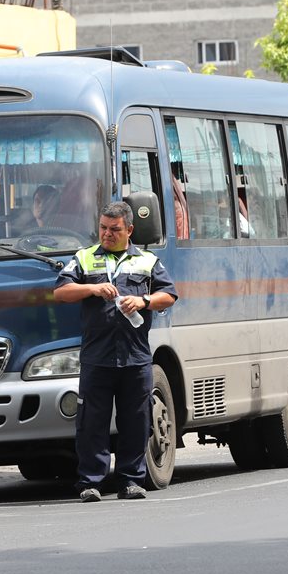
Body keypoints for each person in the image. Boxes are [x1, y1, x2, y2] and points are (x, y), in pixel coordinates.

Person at [53, 201, 178, 502]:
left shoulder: (146, 261)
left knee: (136, 421)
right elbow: (60, 292)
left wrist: (144, 301)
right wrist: (92, 289)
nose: (107, 234)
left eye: (115, 230)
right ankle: (90, 482)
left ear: (129, 230)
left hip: (135, 358)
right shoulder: (84, 258)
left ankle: (131, 480)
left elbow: (169, 295)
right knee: (91, 422)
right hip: (97, 357)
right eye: (103, 229)